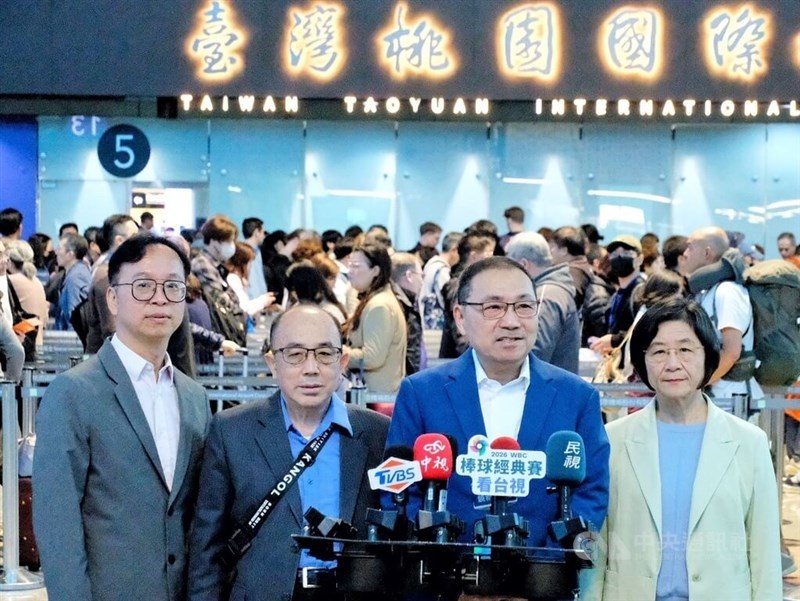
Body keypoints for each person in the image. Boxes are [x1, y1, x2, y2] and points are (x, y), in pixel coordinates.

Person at [33, 236, 211, 601]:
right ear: (113, 298)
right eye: (143, 285)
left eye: (173, 286)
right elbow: (58, 525)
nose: (160, 297)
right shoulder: (73, 393)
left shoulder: (194, 397)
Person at [386, 257, 610, 547]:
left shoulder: (577, 397)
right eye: (493, 307)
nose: (512, 321)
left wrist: (545, 569)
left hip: (543, 578)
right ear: (460, 317)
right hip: (445, 580)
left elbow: (592, 492)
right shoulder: (421, 393)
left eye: (524, 306)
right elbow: (399, 491)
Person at [584, 298, 782, 601]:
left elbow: (765, 551)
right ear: (642, 360)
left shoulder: (748, 442)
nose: (672, 364)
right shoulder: (612, 440)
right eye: (659, 351)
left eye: (686, 350)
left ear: (708, 357)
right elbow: (596, 547)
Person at [188, 304, 389, 600]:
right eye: (294, 355)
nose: (311, 368)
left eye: (324, 353)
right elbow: (206, 545)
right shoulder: (232, 430)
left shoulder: (377, 433)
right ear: (272, 362)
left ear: (342, 361)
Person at [683, 226, 761, 401]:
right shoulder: (708, 292)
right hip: (719, 396)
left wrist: (696, 386)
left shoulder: (727, 292)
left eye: (690, 247)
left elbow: (732, 351)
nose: (685, 254)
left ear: (707, 253)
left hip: (733, 401)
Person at [506, 231, 580, 374]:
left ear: (523, 264)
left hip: (547, 390)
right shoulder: (549, 291)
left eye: (508, 262)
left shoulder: (545, 296)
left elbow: (534, 350)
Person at [343, 242, 407, 393]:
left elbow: (373, 357)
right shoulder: (377, 299)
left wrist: (340, 353)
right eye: (349, 265)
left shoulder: (379, 305)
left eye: (356, 266)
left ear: (376, 270)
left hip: (377, 397)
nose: (350, 271)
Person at [85, 214, 140, 352]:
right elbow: (112, 329)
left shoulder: (120, 270)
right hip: (105, 362)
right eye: (134, 235)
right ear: (120, 240)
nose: (139, 240)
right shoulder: (106, 275)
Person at [192, 215, 247, 347]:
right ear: (214, 241)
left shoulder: (216, 266)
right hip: (214, 334)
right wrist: (238, 307)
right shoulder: (203, 265)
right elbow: (219, 299)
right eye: (228, 241)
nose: (232, 246)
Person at [589, 234, 645, 354]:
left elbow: (647, 331)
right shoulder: (616, 295)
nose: (619, 257)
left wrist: (614, 340)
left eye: (626, 253)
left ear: (639, 259)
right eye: (614, 254)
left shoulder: (643, 293)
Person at [5, 240, 48, 347]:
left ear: (9, 262)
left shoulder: (10, 281)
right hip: (37, 344)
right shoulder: (37, 282)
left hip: (20, 348)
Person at [390, 252, 426, 375]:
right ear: (409, 276)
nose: (422, 282)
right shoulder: (400, 307)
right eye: (421, 276)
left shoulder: (397, 303)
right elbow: (410, 354)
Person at [420, 231, 461, 330]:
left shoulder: (432, 263)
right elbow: (446, 300)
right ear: (454, 249)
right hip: (436, 326)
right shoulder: (441, 270)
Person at [53, 233, 92, 330]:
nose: (56, 252)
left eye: (59, 248)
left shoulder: (75, 278)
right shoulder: (77, 271)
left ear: (71, 254)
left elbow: (73, 317)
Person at [242, 217, 269, 298]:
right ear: (257, 232)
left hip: (261, 301)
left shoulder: (258, 251)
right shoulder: (242, 251)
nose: (264, 236)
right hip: (250, 301)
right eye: (263, 232)